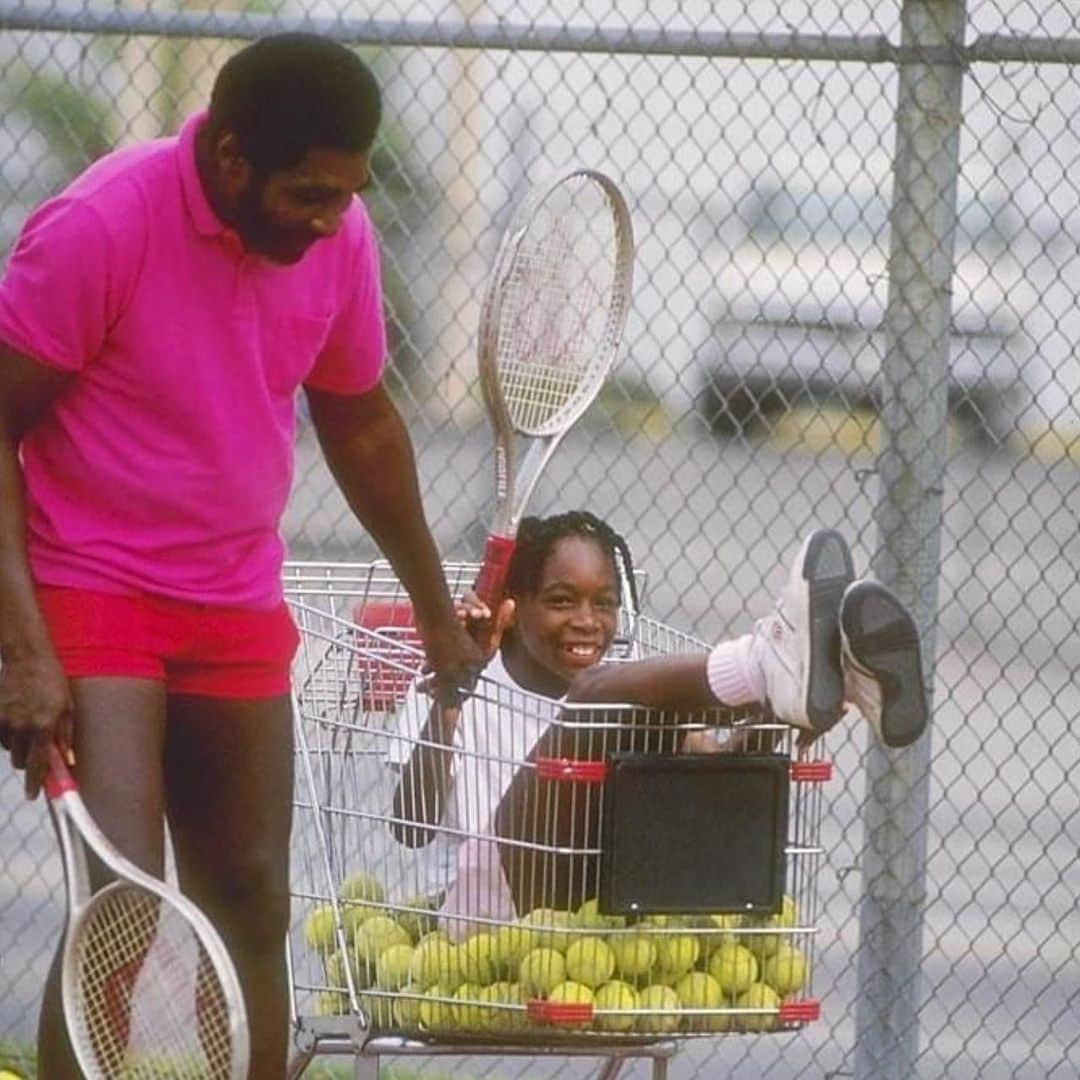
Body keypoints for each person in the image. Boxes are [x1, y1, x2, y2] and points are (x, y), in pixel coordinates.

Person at [0, 33, 484, 1079]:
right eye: (309, 194)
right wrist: (25, 650)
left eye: (347, 195)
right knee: (122, 905)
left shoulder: (337, 239)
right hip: (93, 590)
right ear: (229, 159)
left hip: (230, 597)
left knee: (254, 900)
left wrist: (435, 612)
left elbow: (360, 426)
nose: (330, 219)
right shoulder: (103, 223)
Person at [389, 511, 928, 926]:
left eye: (604, 604)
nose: (586, 622)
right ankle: (767, 662)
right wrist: (453, 695)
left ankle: (835, 682)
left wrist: (765, 734)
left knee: (670, 740)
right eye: (561, 600)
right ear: (512, 606)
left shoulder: (630, 692)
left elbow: (704, 766)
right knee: (599, 693)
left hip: (609, 907)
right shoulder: (452, 681)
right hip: (486, 914)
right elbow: (411, 826)